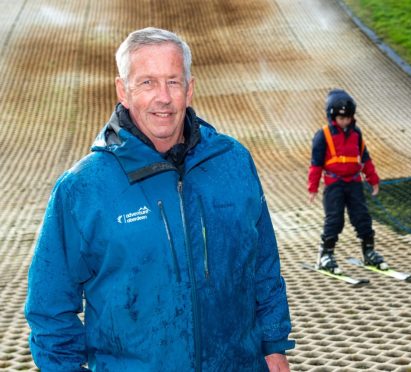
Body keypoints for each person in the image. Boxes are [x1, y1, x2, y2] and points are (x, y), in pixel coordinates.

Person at [25, 27, 294, 371]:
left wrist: (274, 345)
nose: (163, 97)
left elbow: (264, 266)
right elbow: (49, 307)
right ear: (123, 90)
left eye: (173, 81)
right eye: (147, 82)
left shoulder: (233, 163)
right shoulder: (83, 188)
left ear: (190, 88)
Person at [307, 89, 388, 274]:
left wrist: (373, 180)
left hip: (354, 183)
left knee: (362, 217)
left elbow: (365, 158)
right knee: (334, 220)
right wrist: (312, 187)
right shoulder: (323, 136)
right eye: (341, 118)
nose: (345, 121)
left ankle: (369, 251)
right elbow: (316, 164)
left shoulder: (356, 134)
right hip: (334, 185)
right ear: (332, 116)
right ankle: (325, 254)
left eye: (348, 117)